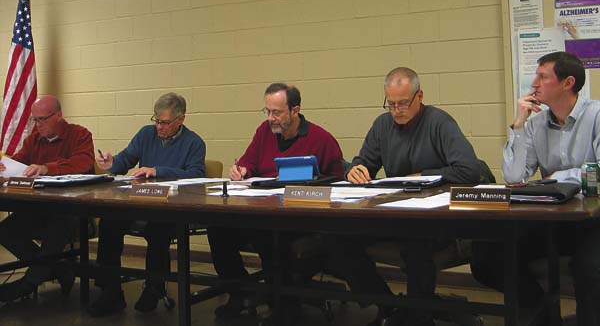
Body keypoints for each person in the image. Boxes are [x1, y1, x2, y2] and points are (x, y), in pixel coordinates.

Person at [327, 67, 481, 326]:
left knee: (416, 248)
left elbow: (469, 170)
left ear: (419, 96)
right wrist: (355, 169)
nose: (397, 110)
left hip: (435, 219)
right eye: (391, 104)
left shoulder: (439, 122)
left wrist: (423, 175)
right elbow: (365, 162)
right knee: (337, 240)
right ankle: (389, 307)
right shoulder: (382, 124)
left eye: (403, 103)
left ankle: (419, 317)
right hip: (396, 214)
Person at [471, 51, 600, 326]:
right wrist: (519, 124)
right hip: (553, 220)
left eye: (543, 76)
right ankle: (544, 315)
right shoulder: (535, 124)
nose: (534, 83)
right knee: (487, 257)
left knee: (590, 268)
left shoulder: (597, 115)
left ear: (568, 83)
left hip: (593, 221)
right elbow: (514, 177)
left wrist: (557, 177)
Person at [207, 83, 344, 321]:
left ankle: (285, 304)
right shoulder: (264, 132)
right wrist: (241, 170)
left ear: (295, 110)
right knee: (218, 228)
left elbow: (338, 184)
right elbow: (248, 162)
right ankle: (240, 292)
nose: (271, 118)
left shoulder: (321, 139)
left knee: (269, 234)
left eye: (277, 112)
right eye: (268, 111)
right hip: (263, 211)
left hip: (300, 218)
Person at [87, 92, 205, 317]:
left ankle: (154, 286)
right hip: (140, 202)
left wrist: (158, 171)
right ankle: (110, 290)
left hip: (172, 207)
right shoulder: (145, 134)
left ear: (181, 119)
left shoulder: (194, 143)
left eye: (165, 123)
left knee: (157, 229)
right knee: (110, 223)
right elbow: (126, 160)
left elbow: (196, 176)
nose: (159, 127)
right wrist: (112, 163)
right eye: (156, 120)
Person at [0, 95, 95, 302]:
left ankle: (29, 283)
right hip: (39, 209)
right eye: (34, 120)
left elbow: (83, 163)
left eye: (42, 119)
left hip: (71, 211)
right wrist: (5, 168)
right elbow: (18, 163)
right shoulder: (33, 140)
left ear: (58, 115)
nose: (38, 125)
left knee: (57, 228)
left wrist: (46, 168)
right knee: (5, 230)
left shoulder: (80, 135)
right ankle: (59, 270)